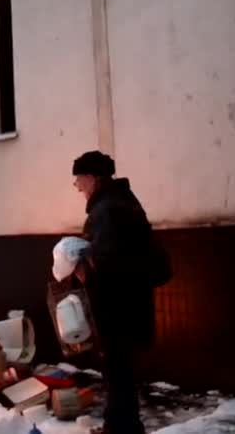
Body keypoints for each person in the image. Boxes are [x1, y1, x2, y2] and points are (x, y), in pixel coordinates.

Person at [71, 150, 170, 434]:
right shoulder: (122, 201)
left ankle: (124, 429)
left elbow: (109, 262)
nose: (77, 186)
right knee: (119, 370)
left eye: (78, 179)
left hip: (118, 307)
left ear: (91, 178)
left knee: (118, 371)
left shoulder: (106, 209)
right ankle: (119, 425)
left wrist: (83, 270)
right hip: (130, 303)